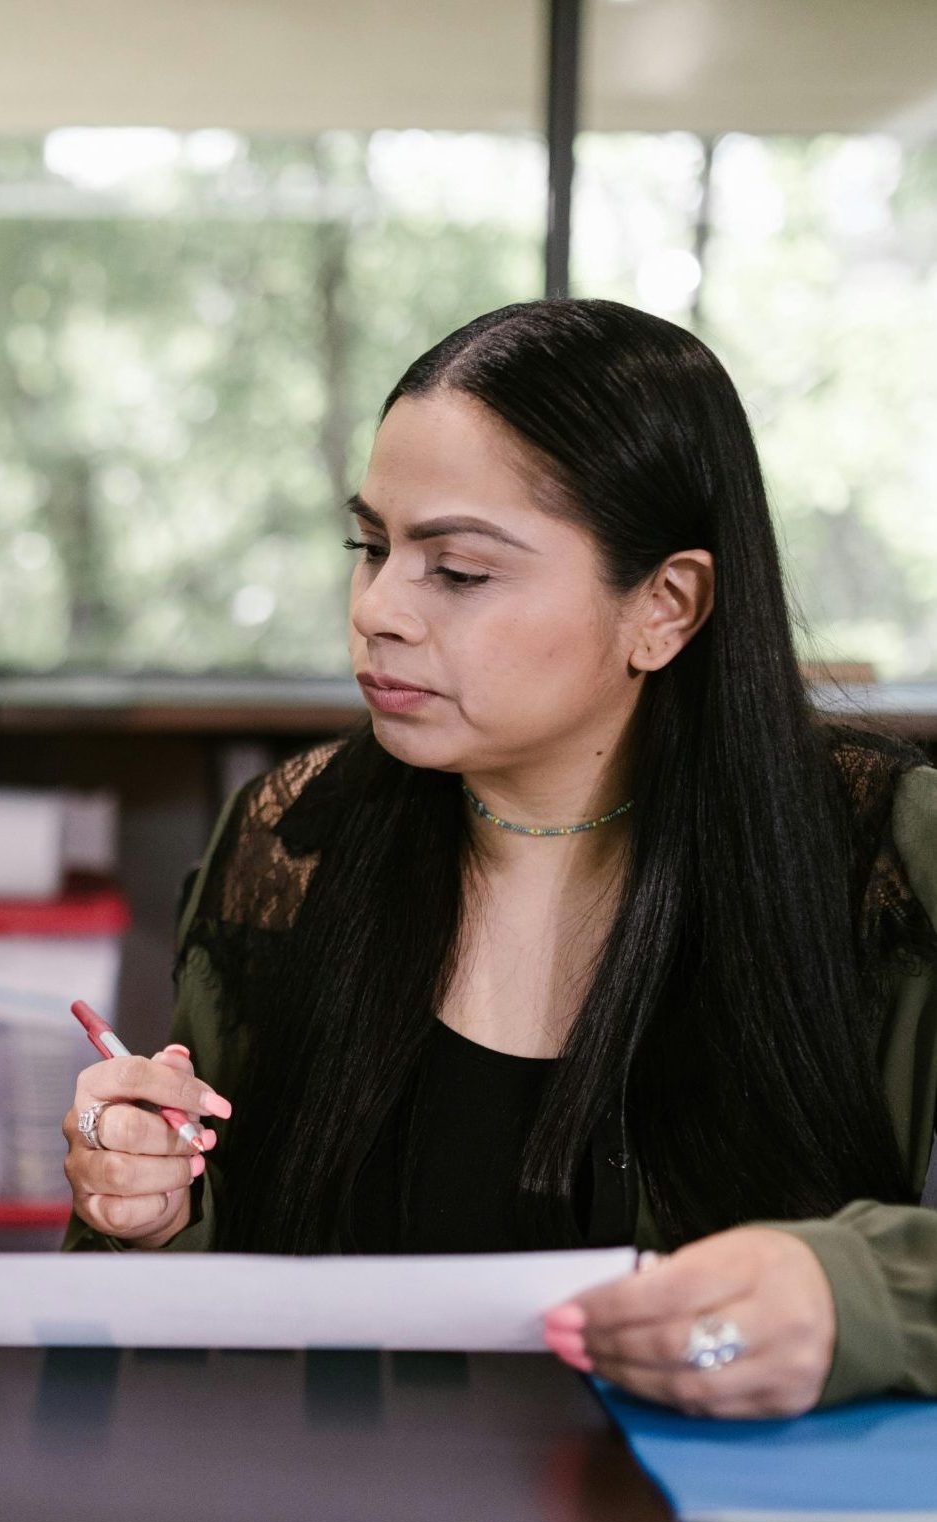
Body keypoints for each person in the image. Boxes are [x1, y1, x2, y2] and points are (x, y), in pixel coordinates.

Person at [63, 298, 937, 1419]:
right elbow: (223, 1304)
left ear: (666, 607)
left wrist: (846, 1294)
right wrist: (153, 1212)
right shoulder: (292, 839)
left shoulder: (887, 857)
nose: (378, 610)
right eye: (369, 548)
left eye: (458, 572)